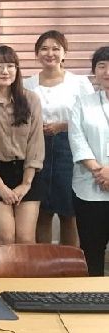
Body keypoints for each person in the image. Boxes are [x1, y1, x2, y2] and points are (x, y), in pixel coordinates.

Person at [24, 30, 94, 246]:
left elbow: (89, 119)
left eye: (56, 48)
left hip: (69, 149)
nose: (50, 53)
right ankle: (44, 263)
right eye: (44, 48)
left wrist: (62, 126)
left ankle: (70, 263)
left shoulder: (79, 82)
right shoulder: (27, 84)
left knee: (68, 212)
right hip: (37, 149)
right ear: (37, 53)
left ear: (65, 53)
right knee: (42, 211)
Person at [0, 46, 44, 246]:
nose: (5, 71)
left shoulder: (30, 99)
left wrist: (26, 183)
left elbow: (36, 142)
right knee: (5, 237)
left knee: (25, 238)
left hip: (27, 171)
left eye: (10, 66)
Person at [68, 46, 109, 276]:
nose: (107, 72)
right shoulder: (83, 103)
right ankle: (94, 294)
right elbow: (77, 140)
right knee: (92, 250)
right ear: (94, 71)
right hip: (90, 188)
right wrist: (100, 172)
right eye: (102, 66)